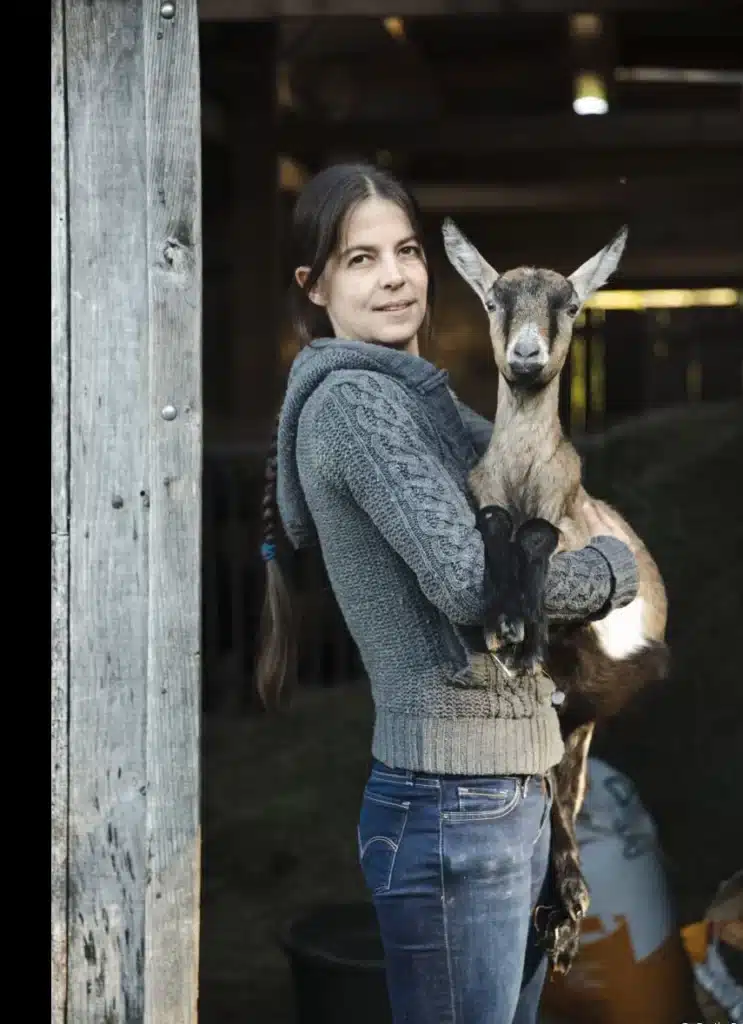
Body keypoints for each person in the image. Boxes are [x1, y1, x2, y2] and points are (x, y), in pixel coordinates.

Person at [255, 163, 640, 1024]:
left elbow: (548, 488)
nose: (393, 275)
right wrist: (614, 573)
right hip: (451, 800)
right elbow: (472, 586)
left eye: (406, 250)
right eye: (359, 259)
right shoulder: (356, 407)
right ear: (313, 287)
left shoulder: (432, 409)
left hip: (506, 787)